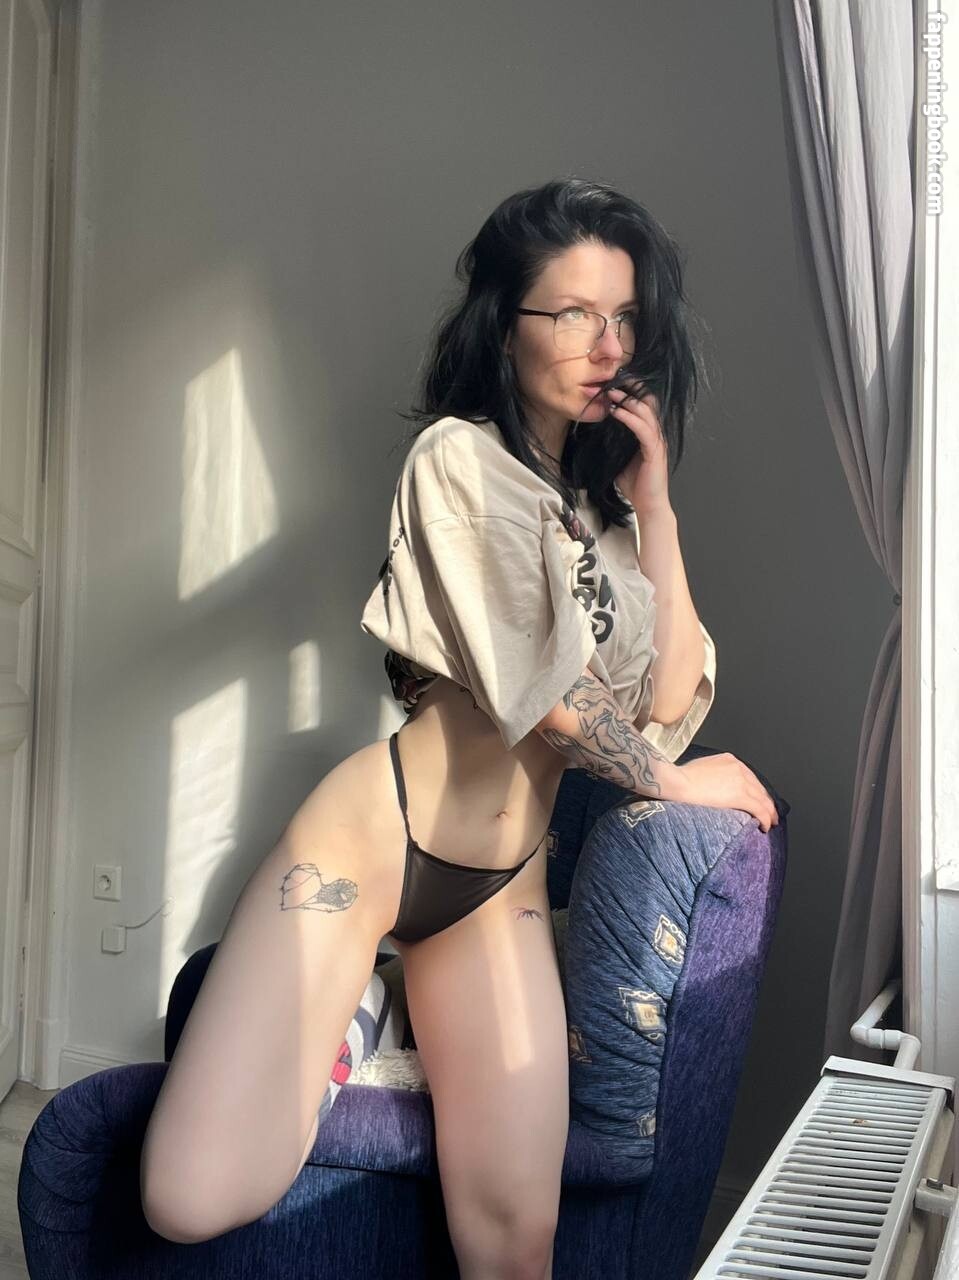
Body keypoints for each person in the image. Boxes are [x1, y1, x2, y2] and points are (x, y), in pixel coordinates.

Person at [139, 176, 779, 1277]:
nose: (606, 345)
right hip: (373, 840)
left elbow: (665, 704)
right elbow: (552, 697)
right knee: (187, 1198)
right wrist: (677, 785)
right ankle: (358, 1002)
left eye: (623, 317)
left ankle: (382, 997)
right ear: (504, 322)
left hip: (495, 890)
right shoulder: (455, 460)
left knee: (512, 1243)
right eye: (571, 313)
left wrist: (657, 506)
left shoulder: (606, 522)